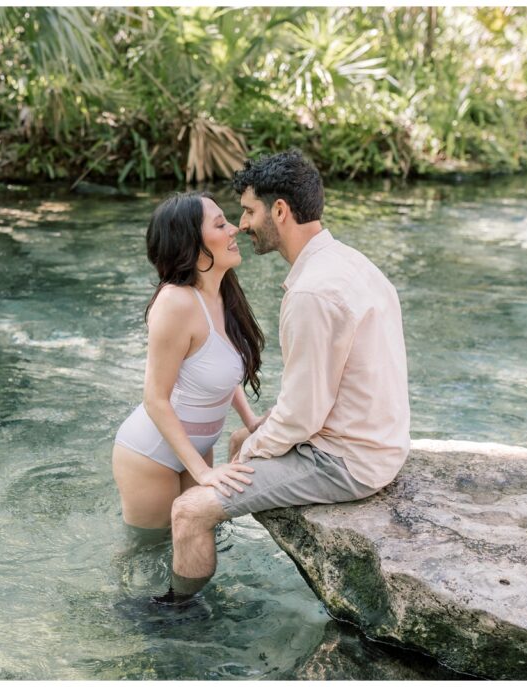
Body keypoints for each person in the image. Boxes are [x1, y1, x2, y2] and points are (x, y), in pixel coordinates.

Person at [156, 150, 410, 604]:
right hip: (376, 440)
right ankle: (215, 545)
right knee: (238, 445)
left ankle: (178, 616)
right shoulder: (351, 262)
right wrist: (247, 448)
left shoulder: (312, 292)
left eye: (249, 211)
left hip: (345, 461)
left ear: (280, 210)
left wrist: (248, 454)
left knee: (188, 509)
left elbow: (302, 416)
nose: (243, 224)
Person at [112, 192, 265, 535]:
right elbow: (155, 398)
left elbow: (222, 369)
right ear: (191, 243)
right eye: (220, 224)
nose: (234, 230)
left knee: (195, 543)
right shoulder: (175, 303)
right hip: (151, 455)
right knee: (148, 556)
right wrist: (204, 473)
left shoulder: (224, 293)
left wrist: (251, 421)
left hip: (196, 450)